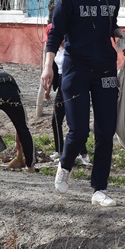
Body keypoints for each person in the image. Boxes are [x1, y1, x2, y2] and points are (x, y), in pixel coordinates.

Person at [41, 0, 125, 208]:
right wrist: (48, 66)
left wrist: (120, 34)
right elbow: (55, 33)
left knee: (106, 130)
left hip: (105, 68)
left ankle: (99, 189)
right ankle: (65, 165)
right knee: (78, 130)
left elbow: (110, 24)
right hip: (75, 69)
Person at [44, 25, 90, 166]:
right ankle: (59, 150)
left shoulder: (72, 47)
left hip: (73, 85)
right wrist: (48, 89)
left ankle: (83, 154)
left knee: (74, 121)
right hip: (61, 86)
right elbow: (53, 70)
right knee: (56, 119)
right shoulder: (55, 50)